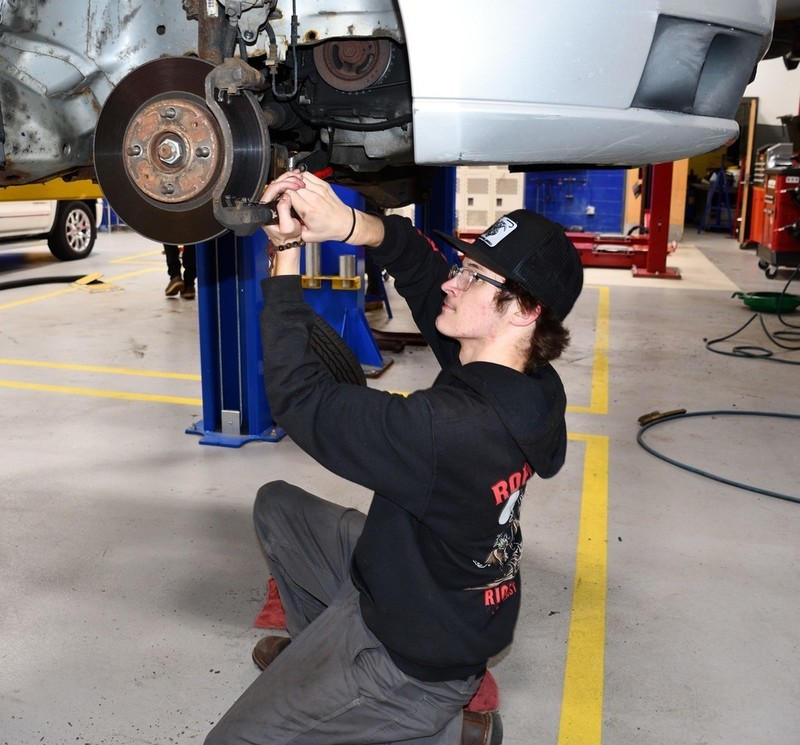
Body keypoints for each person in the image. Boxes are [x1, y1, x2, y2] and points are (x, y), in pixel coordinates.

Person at [204, 171, 583, 745]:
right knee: (278, 507)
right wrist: (350, 226)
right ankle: (324, 664)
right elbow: (423, 269)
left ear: (523, 310)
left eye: (474, 277)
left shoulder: (448, 428)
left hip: (411, 660)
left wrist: (283, 259)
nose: (453, 283)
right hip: (434, 590)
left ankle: (415, 719)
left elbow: (301, 399)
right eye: (464, 268)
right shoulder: (529, 377)